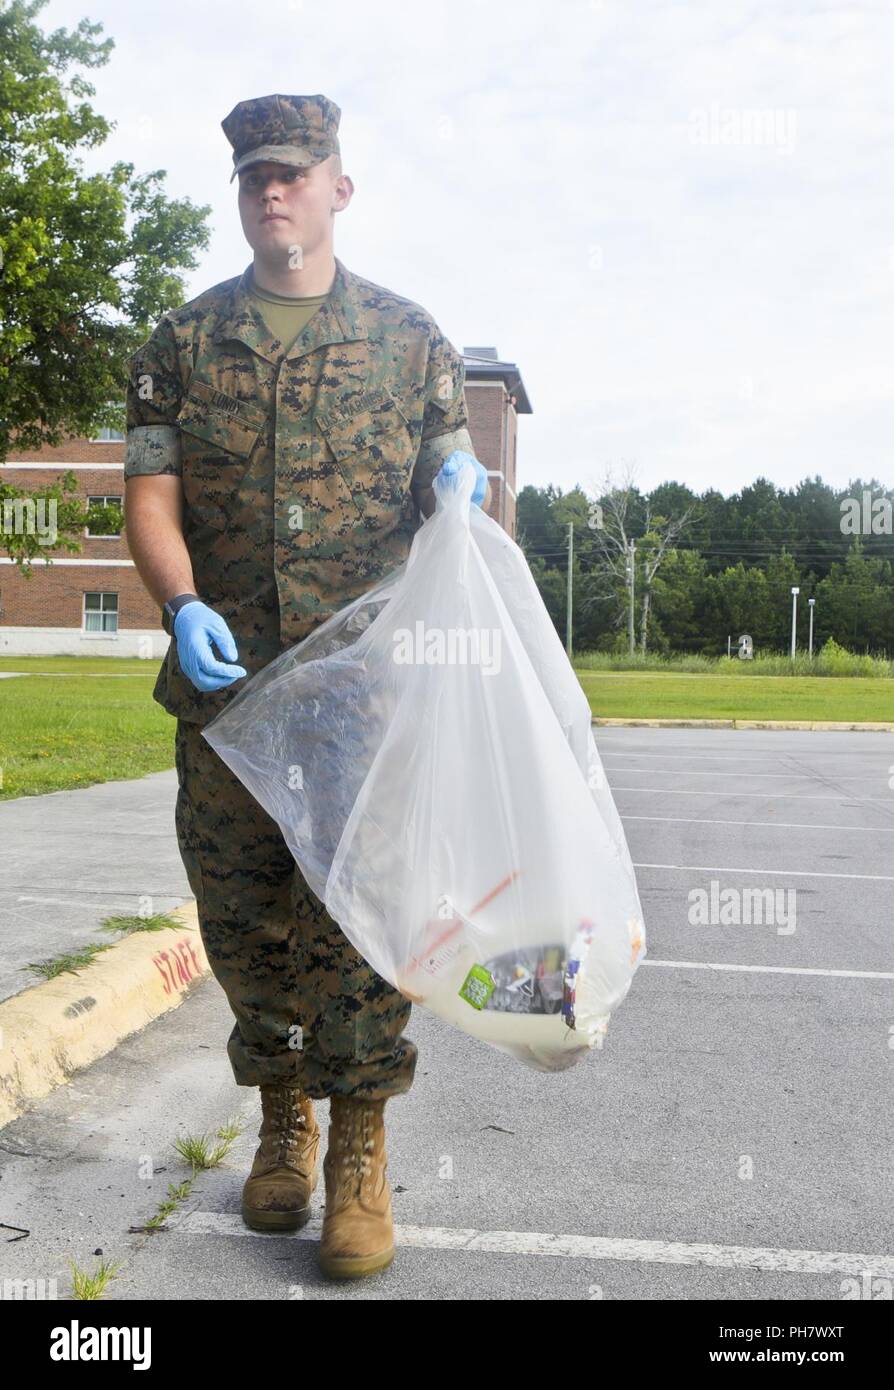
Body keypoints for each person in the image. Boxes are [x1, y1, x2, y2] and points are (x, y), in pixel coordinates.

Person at [123, 93, 489, 1280]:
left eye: (295, 171)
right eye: (253, 176)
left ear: (340, 186)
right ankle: (283, 1119)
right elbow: (152, 496)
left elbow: (447, 464)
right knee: (245, 923)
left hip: (365, 702)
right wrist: (181, 604)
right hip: (228, 703)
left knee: (363, 925)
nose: (272, 191)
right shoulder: (180, 345)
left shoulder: (410, 339)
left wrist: (460, 479)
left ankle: (360, 1151)